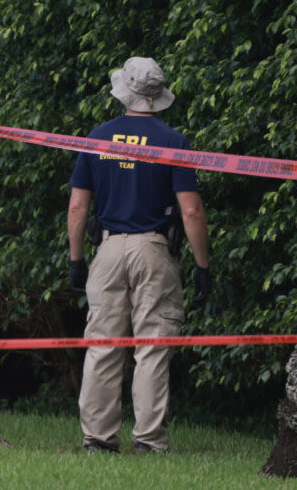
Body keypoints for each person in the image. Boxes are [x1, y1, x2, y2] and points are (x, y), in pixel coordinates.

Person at [66, 56, 211, 454]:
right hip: (154, 249)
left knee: (103, 344)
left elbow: (78, 208)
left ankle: (97, 439)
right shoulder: (174, 142)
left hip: (108, 248)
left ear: (124, 93)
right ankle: (148, 440)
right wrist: (202, 266)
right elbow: (192, 211)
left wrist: (76, 260)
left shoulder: (97, 136)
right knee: (152, 345)